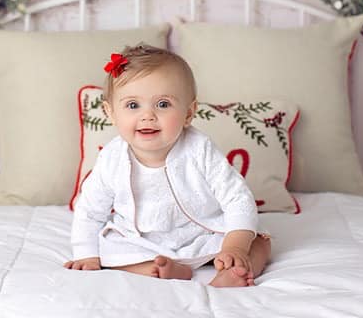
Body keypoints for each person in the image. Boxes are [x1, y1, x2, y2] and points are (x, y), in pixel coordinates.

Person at [64, 44, 271, 287]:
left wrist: (234, 245)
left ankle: (231, 272)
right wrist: (86, 254)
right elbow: (90, 209)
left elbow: (237, 198)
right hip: (140, 240)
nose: (147, 115)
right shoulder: (112, 158)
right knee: (106, 249)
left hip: (202, 234)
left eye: (163, 104)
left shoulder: (199, 149)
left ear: (188, 113)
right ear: (110, 113)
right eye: (133, 105)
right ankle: (158, 269)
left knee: (259, 242)